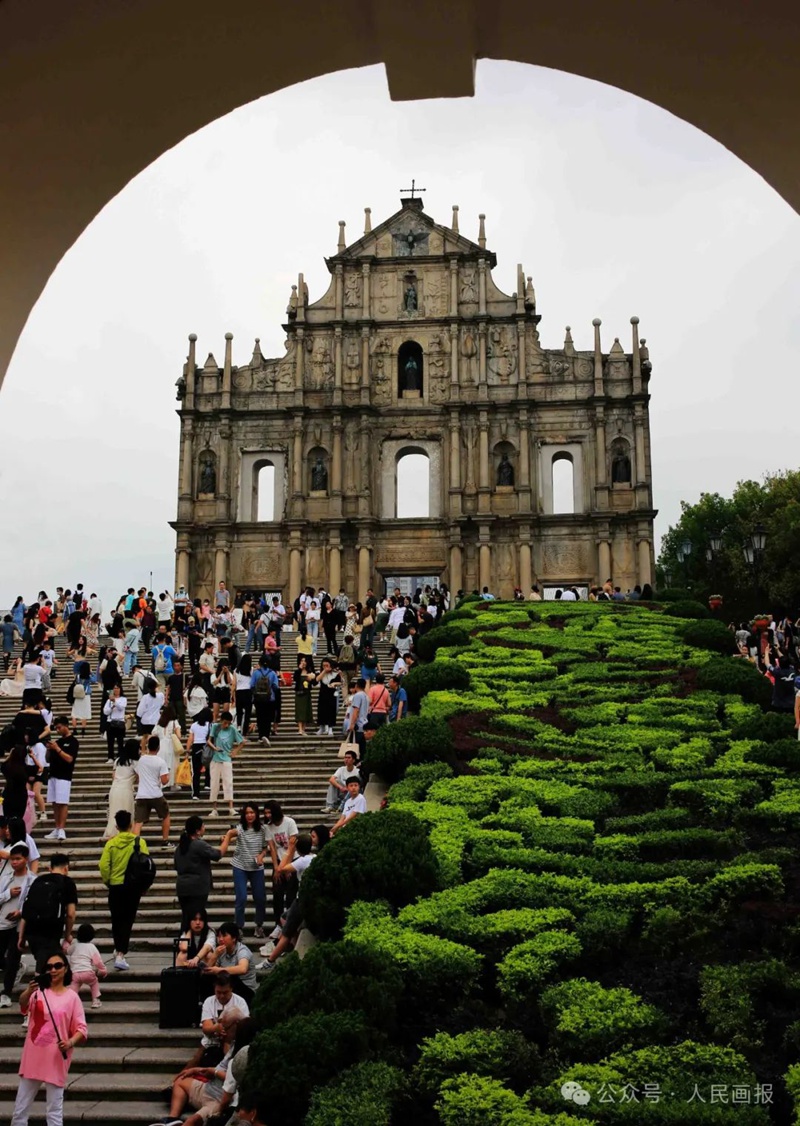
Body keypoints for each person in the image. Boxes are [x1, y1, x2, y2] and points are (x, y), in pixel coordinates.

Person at [9, 950, 87, 1126]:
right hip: (33, 1056)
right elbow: (23, 1004)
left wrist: (70, 1042)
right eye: (49, 967)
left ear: (66, 969)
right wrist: (29, 990)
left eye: (58, 966)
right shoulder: (38, 992)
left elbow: (82, 1029)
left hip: (56, 1058)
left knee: (54, 1112)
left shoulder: (72, 997)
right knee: (20, 1110)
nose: (53, 970)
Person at [257, 829, 329, 972]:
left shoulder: (303, 861)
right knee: (284, 919)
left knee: (286, 932)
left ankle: (270, 961)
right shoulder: (314, 857)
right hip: (306, 899)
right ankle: (296, 952)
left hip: (301, 900)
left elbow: (281, 869)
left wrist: (289, 850)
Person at [99, 810, 150, 970]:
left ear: (116, 825)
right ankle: (121, 952)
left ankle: (119, 949)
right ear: (130, 824)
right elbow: (146, 865)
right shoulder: (139, 842)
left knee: (116, 919)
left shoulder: (111, 843)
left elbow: (103, 866)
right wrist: (143, 886)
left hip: (115, 886)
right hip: (133, 888)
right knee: (128, 920)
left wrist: (108, 881)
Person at [18, 853, 78, 963]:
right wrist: (67, 935)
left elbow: (26, 909)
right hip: (51, 930)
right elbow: (70, 913)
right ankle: (38, 979)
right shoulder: (67, 882)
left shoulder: (38, 880)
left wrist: (21, 937)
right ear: (66, 868)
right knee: (48, 965)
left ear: (50, 868)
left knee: (45, 962)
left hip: (32, 930)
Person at [220, 803, 268, 936]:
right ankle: (239, 927)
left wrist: (261, 855)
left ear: (257, 814)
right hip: (240, 866)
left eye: (252, 812)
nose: (250, 815)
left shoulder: (263, 830)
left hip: (256, 867)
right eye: (247, 813)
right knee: (241, 897)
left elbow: (265, 847)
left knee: (260, 898)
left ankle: (259, 925)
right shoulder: (240, 828)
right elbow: (231, 834)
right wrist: (226, 837)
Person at [0, 843, 36, 1008]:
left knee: (13, 957)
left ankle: (6, 992)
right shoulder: (5, 877)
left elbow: (34, 903)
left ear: (25, 859)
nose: (14, 862)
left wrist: (21, 912)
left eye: (18, 859)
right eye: (12, 859)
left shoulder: (32, 880)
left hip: (19, 926)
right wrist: (8, 894)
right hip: (2, 923)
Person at [191, 972, 249, 1069]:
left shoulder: (240, 1002)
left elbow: (244, 1026)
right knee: (194, 1061)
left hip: (233, 1042)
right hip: (211, 1041)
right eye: (218, 992)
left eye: (225, 992)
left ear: (231, 988)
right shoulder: (209, 1001)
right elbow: (206, 1027)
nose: (221, 996)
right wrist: (216, 1028)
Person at [174, 815, 222, 930]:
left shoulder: (180, 847)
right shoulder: (199, 844)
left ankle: (183, 942)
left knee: (186, 917)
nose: (204, 827)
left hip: (182, 887)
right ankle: (192, 944)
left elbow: (176, 866)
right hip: (198, 887)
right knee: (196, 918)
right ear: (197, 830)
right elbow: (217, 855)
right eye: (203, 825)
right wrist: (228, 838)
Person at [263, 800, 298, 939]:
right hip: (278, 862)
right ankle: (278, 924)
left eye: (269, 812)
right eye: (265, 812)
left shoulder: (289, 822)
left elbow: (292, 846)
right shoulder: (268, 827)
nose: (267, 815)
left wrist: (287, 867)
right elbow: (272, 848)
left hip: (292, 861)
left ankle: (289, 924)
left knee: (290, 895)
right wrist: (276, 867)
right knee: (277, 895)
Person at [43, 718, 78, 843]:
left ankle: (62, 828)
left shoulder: (73, 741)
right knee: (54, 802)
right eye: (56, 728)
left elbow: (69, 759)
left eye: (59, 727)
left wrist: (57, 748)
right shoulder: (56, 741)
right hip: (53, 774)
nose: (57, 730)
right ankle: (57, 827)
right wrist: (48, 749)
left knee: (62, 802)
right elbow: (47, 760)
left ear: (65, 726)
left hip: (64, 775)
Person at [132, 735, 171, 847]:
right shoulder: (161, 762)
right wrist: (167, 777)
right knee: (166, 815)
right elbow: (164, 781)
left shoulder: (141, 760)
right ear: (158, 747)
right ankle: (165, 841)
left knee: (138, 821)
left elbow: (138, 775)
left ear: (148, 746)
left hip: (142, 794)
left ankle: (135, 844)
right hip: (156, 794)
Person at [204, 922, 257, 1003]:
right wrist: (214, 955)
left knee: (230, 977)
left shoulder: (242, 950)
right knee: (208, 978)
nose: (221, 939)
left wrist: (219, 970)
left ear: (234, 938)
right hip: (228, 989)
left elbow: (243, 969)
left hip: (246, 990)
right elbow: (207, 971)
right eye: (219, 936)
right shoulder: (221, 951)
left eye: (224, 936)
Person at [206, 711, 242, 818]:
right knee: (214, 783)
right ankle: (214, 808)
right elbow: (209, 741)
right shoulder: (216, 727)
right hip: (215, 758)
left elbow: (242, 741)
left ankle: (231, 807)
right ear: (221, 721)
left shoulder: (232, 729)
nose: (226, 725)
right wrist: (214, 747)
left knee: (228, 782)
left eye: (228, 723)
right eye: (225, 723)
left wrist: (235, 751)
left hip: (226, 758)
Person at [64, 922, 106, 1009]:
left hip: (74, 973)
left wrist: (66, 942)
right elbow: (98, 961)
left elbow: (66, 950)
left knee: (74, 987)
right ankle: (95, 1000)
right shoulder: (92, 947)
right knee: (94, 983)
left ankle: (69, 1002)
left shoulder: (74, 946)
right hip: (87, 972)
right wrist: (103, 970)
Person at [102, 740, 138, 840]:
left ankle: (112, 834)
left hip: (114, 789)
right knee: (127, 812)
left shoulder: (118, 760)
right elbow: (139, 777)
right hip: (126, 790)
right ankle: (124, 835)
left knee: (114, 813)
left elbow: (113, 775)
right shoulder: (135, 762)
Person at [321, 749, 362, 814]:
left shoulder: (357, 771)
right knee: (334, 782)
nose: (346, 760)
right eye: (345, 758)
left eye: (349, 758)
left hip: (351, 793)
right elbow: (331, 779)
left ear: (353, 760)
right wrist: (341, 787)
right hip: (342, 791)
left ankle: (340, 808)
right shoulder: (341, 769)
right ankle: (330, 806)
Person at [250, 656, 279, 746]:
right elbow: (276, 686)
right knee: (267, 718)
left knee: (260, 717)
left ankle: (260, 736)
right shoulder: (272, 673)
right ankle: (266, 735)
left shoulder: (256, 673)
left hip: (258, 699)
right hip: (270, 699)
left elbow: (251, 685)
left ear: (260, 663)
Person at [185, 708, 211, 800]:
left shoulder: (194, 725)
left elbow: (190, 739)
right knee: (209, 766)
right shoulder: (210, 725)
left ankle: (196, 793)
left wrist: (187, 751)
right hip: (207, 747)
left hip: (196, 748)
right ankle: (207, 784)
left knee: (196, 772)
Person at [136, 678, 165, 752]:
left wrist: (138, 716)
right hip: (156, 720)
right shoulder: (160, 696)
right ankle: (154, 751)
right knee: (155, 737)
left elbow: (140, 710)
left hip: (146, 720)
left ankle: (143, 751)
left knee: (145, 737)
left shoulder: (145, 697)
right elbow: (162, 704)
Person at [102, 683, 127, 762]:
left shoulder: (123, 699)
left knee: (120, 741)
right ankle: (110, 757)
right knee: (110, 742)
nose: (116, 690)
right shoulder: (108, 700)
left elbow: (121, 708)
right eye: (114, 688)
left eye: (117, 688)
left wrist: (115, 702)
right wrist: (112, 706)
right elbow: (105, 712)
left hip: (120, 722)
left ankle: (120, 757)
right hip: (111, 722)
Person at [315, 657, 341, 736]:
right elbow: (316, 680)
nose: (325, 667)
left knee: (331, 710)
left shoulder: (335, 673)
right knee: (321, 710)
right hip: (323, 694)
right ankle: (321, 727)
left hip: (332, 694)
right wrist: (324, 671)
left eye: (327, 665)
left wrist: (334, 684)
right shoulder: (320, 673)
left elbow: (341, 682)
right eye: (324, 665)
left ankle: (330, 728)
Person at [293, 655, 315, 735]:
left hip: (306, 694)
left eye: (305, 661)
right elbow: (295, 678)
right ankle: (299, 729)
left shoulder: (309, 672)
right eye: (302, 661)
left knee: (306, 710)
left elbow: (314, 682)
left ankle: (304, 729)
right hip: (299, 693)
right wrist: (299, 669)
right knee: (299, 710)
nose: (303, 663)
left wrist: (311, 679)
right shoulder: (297, 671)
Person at [234, 653, 253, 738]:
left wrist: (232, 695)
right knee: (247, 713)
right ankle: (245, 731)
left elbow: (234, 684)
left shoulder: (236, 670)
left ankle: (238, 726)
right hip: (248, 691)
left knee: (239, 711)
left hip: (239, 691)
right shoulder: (251, 670)